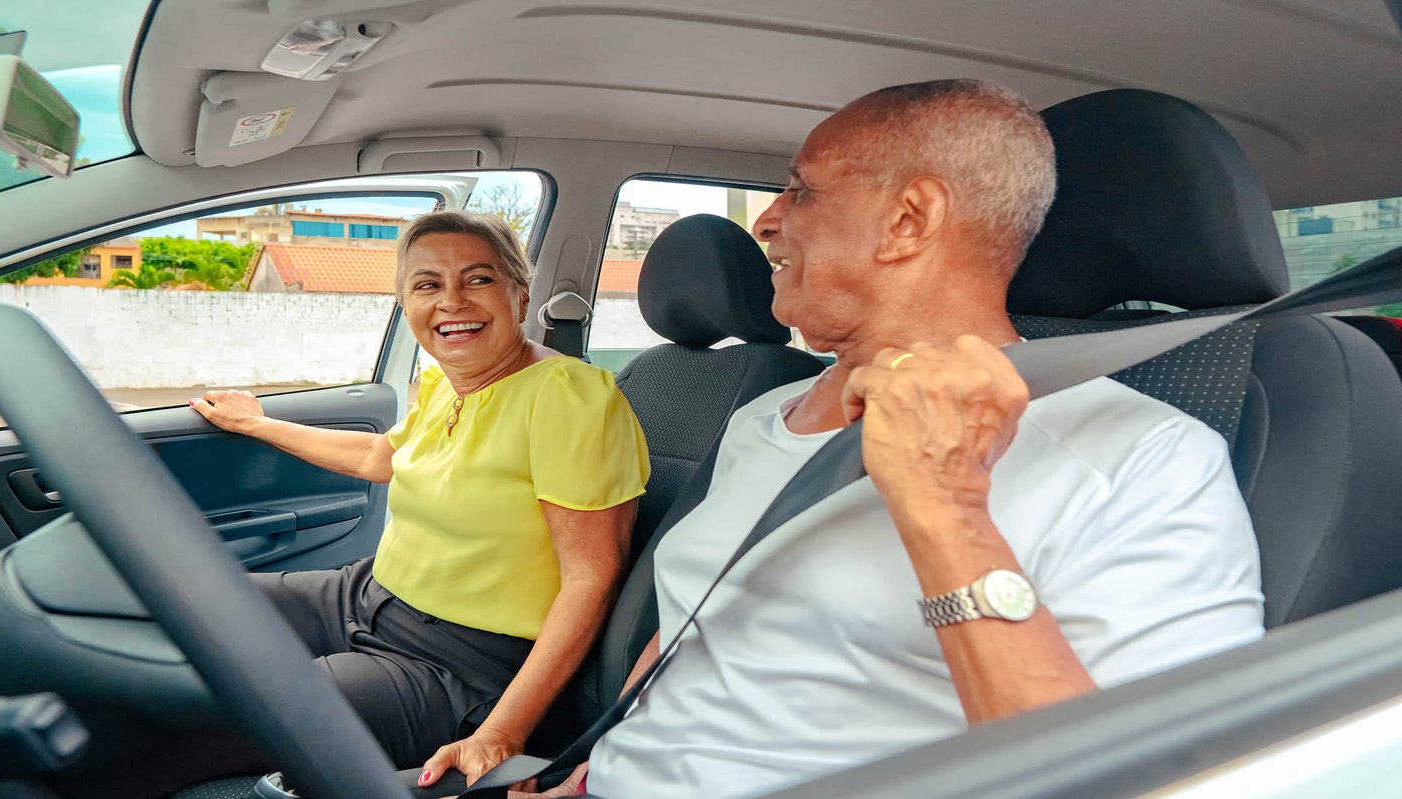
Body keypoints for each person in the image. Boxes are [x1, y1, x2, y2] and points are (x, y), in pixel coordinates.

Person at [503, 79, 1265, 798]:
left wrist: (947, 510)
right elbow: (700, 621)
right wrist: (595, 763)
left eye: (800, 188)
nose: (767, 221)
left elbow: (1155, 778)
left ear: (909, 220)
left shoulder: (1144, 455)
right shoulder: (765, 417)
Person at [190, 211, 650, 785]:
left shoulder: (568, 398)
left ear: (521, 294)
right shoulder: (445, 380)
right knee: (194, 603)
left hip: (460, 662)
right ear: (406, 304)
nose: (451, 301)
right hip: (365, 595)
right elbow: (376, 457)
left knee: (223, 709)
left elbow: (591, 577)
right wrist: (257, 424)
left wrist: (501, 733)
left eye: (478, 280)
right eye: (427, 285)